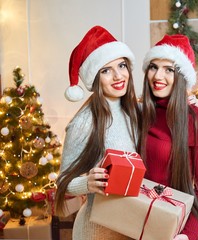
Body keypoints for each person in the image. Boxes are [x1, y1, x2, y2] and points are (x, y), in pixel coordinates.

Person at [55, 25, 140, 240]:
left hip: (133, 224)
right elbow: (63, 180)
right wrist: (87, 183)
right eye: (106, 70)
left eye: (122, 65)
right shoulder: (84, 122)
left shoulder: (135, 111)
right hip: (97, 230)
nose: (118, 76)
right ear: (95, 78)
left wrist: (187, 104)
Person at [140, 34, 198, 240]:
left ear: (182, 75)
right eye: (153, 67)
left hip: (175, 228)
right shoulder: (141, 113)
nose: (158, 76)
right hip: (136, 219)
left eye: (169, 70)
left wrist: (186, 235)